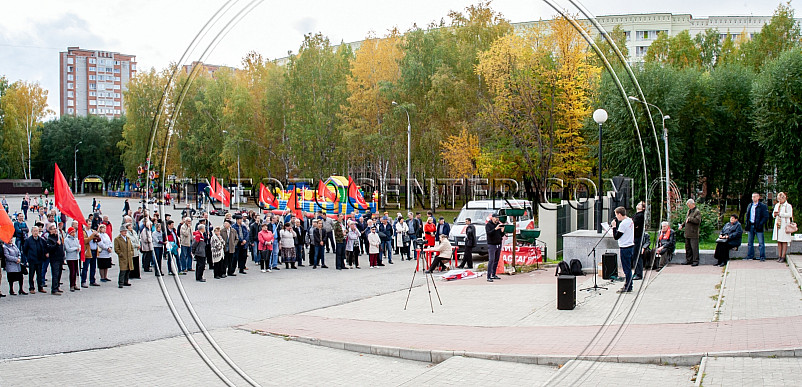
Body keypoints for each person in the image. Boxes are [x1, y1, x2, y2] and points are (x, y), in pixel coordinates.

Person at [611, 207, 635, 293]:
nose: (616, 217)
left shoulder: (623, 224)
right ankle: (628, 284)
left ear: (620, 214)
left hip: (625, 247)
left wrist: (614, 227)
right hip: (630, 245)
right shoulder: (630, 220)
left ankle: (628, 286)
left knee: (626, 268)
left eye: (616, 215)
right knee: (628, 267)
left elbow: (616, 237)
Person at [744, 192, 770, 261]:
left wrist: (760, 224)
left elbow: (765, 216)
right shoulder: (750, 205)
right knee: (750, 242)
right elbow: (747, 215)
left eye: (755, 197)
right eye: (752, 197)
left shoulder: (762, 206)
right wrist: (747, 224)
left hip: (758, 226)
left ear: (758, 197)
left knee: (761, 242)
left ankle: (762, 257)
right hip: (751, 225)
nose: (753, 198)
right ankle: (750, 256)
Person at [23, 226, 48, 293]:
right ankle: (31, 288)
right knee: (31, 275)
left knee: (39, 275)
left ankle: (40, 287)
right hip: (32, 260)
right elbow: (25, 250)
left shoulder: (41, 240)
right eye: (34, 231)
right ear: (31, 232)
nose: (35, 232)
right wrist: (28, 257)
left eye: (37, 231)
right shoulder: (28, 240)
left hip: (39, 260)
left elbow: (45, 248)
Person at [772, 192, 794, 263]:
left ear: (784, 198)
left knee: (784, 240)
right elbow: (773, 213)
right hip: (778, 224)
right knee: (779, 240)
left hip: (784, 224)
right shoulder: (777, 205)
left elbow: (790, 214)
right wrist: (774, 214)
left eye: (780, 199)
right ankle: (779, 255)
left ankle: (783, 256)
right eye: (778, 199)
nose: (779, 201)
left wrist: (780, 214)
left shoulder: (788, 206)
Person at [679, 199, 701, 266]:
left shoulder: (697, 211)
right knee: (688, 247)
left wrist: (690, 219)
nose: (688, 206)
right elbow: (686, 220)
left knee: (694, 248)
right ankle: (689, 260)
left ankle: (695, 261)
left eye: (689, 205)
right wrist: (682, 225)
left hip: (693, 233)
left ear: (692, 204)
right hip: (687, 233)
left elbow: (698, 221)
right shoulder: (689, 211)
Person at [81, 217, 100, 288]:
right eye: (88, 224)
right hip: (88, 251)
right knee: (86, 266)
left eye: (90, 224)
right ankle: (83, 281)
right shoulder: (84, 232)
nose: (89, 225)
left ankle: (92, 280)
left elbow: (97, 239)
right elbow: (85, 241)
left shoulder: (92, 231)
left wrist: (97, 237)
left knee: (93, 266)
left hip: (94, 249)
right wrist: (92, 236)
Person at [485, 214, 504, 282]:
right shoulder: (488, 225)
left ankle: (494, 274)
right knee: (491, 260)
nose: (497, 219)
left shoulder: (499, 224)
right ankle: (488, 276)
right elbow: (489, 233)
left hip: (498, 243)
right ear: (492, 218)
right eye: (496, 218)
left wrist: (502, 231)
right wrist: (495, 229)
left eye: (498, 218)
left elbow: (501, 235)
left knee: (496, 260)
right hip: (491, 244)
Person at [64, 226, 81, 292]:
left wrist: (79, 249)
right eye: (72, 232)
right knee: (72, 271)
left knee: (76, 271)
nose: (74, 234)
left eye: (74, 232)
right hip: (70, 257)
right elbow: (68, 249)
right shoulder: (66, 240)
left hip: (76, 257)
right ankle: (71, 285)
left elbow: (79, 245)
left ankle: (75, 284)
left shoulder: (76, 239)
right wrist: (75, 248)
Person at [631, 201, 646, 281]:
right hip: (635, 237)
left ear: (643, 208)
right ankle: (636, 272)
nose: (638, 204)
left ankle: (639, 274)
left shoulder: (640, 215)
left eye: (640, 204)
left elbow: (634, 224)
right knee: (635, 255)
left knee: (636, 255)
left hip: (637, 237)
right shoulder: (637, 215)